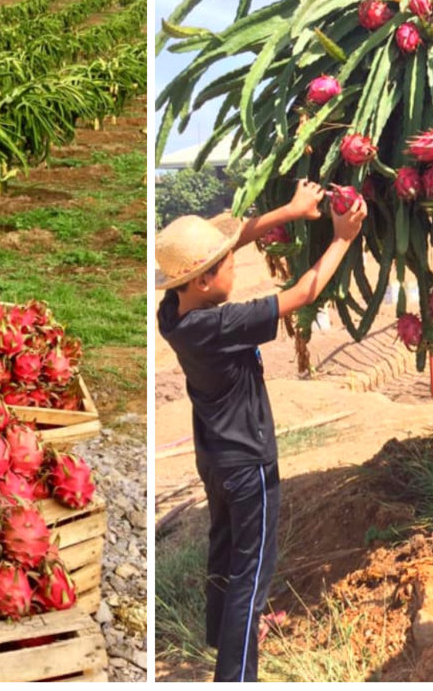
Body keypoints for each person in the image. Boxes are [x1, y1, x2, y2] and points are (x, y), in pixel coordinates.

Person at [155, 180, 365, 682]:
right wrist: (343, 237)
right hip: (249, 465)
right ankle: (237, 677)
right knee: (252, 577)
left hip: (216, 462)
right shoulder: (222, 326)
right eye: (225, 264)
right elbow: (305, 291)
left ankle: (223, 644)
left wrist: (289, 211)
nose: (236, 262)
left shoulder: (174, 314)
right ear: (203, 282)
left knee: (226, 559)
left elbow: (235, 240)